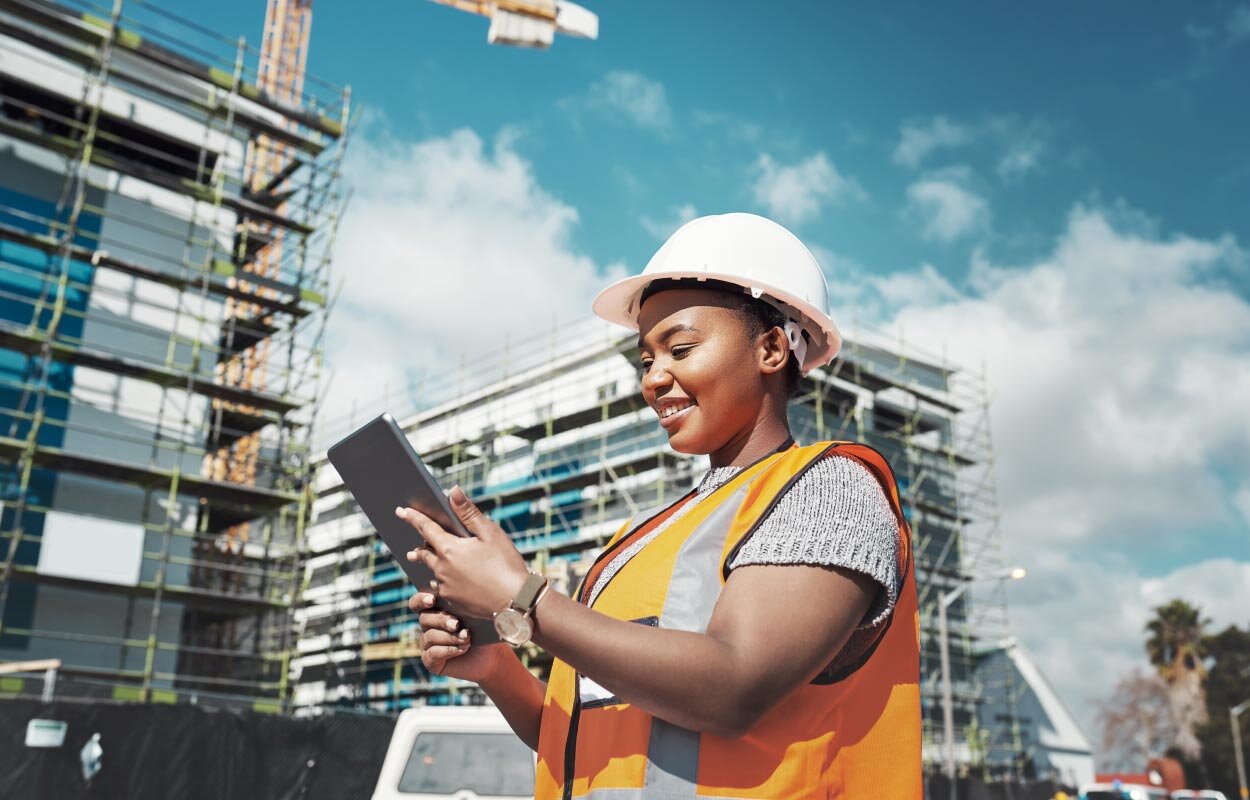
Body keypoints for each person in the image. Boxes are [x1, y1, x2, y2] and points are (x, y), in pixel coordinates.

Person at [399, 212, 921, 799]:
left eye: (681, 348)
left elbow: (734, 687)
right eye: (646, 360)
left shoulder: (833, 488)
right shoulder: (644, 538)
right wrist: (497, 670)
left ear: (773, 348)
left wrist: (522, 599)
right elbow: (589, 738)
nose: (653, 379)